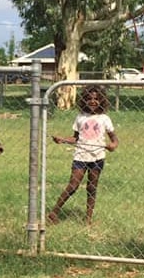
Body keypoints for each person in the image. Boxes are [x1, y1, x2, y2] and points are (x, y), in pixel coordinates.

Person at [47, 84, 119, 226]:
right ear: (84, 100)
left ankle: (88, 218)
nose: (93, 101)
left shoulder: (104, 118)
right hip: (80, 156)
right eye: (89, 98)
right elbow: (76, 138)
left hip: (97, 158)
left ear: (102, 100)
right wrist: (62, 139)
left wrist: (112, 146)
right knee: (73, 185)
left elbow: (114, 140)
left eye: (97, 99)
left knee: (92, 187)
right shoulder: (80, 117)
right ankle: (54, 212)